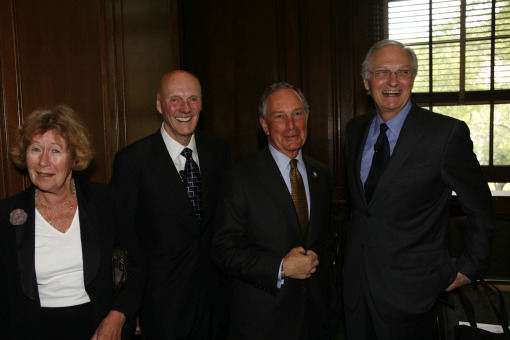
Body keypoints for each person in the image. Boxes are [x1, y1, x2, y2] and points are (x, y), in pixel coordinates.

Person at [342, 39, 495, 339]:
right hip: (356, 290)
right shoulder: (354, 130)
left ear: (413, 77)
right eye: (383, 72)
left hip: (412, 295)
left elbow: (480, 207)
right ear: (366, 80)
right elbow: (363, 210)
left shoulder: (445, 134)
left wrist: (469, 267)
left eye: (403, 72)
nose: (393, 82)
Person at [0, 104, 145, 340]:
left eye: (56, 151)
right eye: (35, 149)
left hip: (100, 328)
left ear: (74, 156)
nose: (43, 161)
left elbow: (138, 265)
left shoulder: (106, 202)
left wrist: (119, 316)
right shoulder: (6, 215)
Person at [110, 70, 232, 339]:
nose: (185, 109)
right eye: (175, 100)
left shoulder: (221, 151)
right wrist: (132, 305)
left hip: (218, 302)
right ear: (159, 104)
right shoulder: (132, 162)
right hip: (162, 307)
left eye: (193, 99)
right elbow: (124, 241)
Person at [212, 82, 339, 339]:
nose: (291, 125)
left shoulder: (321, 174)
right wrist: (281, 267)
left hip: (317, 317)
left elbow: (325, 241)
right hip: (265, 321)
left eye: (297, 113)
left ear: (307, 117)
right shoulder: (240, 178)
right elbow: (223, 250)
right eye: (279, 116)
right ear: (265, 125)